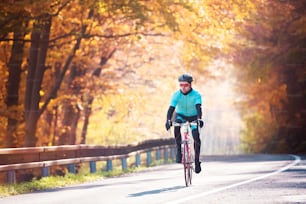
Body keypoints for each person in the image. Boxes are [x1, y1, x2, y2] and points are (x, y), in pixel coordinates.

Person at [165, 74, 204, 173]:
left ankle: (196, 160)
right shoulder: (176, 95)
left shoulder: (196, 95)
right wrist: (168, 120)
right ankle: (179, 151)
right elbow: (171, 109)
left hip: (193, 117)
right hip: (180, 116)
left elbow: (198, 108)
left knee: (196, 136)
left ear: (190, 85)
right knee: (176, 126)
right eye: (181, 85)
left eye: (185, 85)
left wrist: (199, 119)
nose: (183, 87)